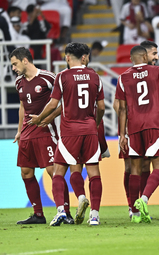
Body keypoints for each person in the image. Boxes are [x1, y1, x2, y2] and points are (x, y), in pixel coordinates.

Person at [29, 42, 105, 226]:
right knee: (94, 172)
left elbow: (53, 104)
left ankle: (61, 211)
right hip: (89, 129)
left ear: (68, 57)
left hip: (70, 131)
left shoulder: (62, 77)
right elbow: (101, 107)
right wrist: (93, 124)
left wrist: (39, 118)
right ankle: (94, 215)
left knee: (58, 171)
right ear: (85, 57)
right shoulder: (95, 77)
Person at [10, 47, 73, 225]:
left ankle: (66, 213)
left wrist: (49, 118)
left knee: (54, 171)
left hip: (46, 132)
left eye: (15, 64)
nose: (13, 68)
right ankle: (38, 214)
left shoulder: (48, 77)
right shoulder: (18, 82)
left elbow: (66, 100)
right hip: (27, 134)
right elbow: (23, 106)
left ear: (25, 60)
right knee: (26, 173)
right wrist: (19, 131)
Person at [116, 45, 159, 223]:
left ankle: (134, 213)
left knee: (135, 169)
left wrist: (122, 135)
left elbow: (122, 108)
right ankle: (144, 199)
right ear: (144, 55)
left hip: (133, 128)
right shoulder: (158, 72)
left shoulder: (123, 77)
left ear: (132, 58)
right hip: (154, 125)